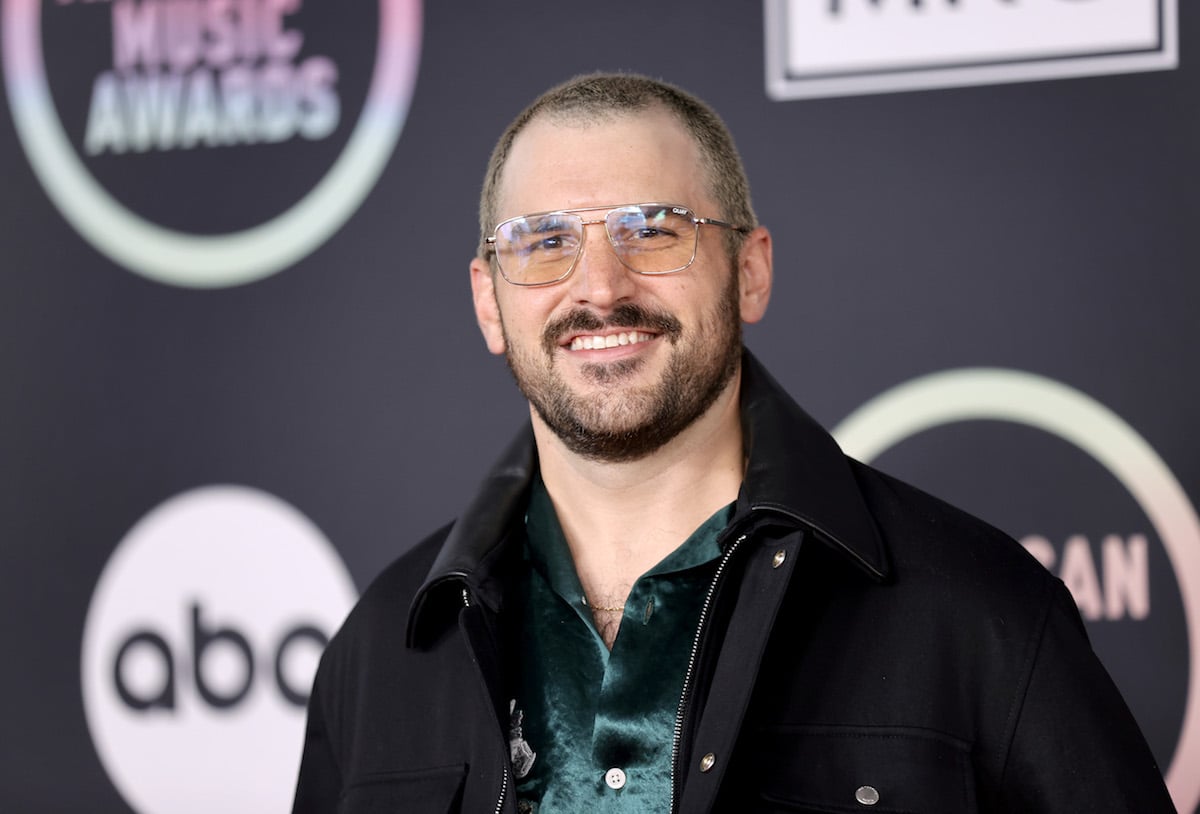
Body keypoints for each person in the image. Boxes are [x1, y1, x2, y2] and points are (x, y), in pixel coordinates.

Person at [292, 73, 1174, 813]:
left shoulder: (981, 615)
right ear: (490, 301)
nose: (600, 287)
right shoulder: (380, 656)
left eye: (653, 231)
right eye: (546, 242)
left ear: (748, 271)